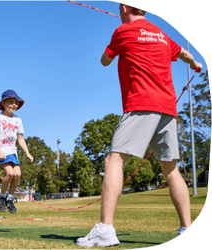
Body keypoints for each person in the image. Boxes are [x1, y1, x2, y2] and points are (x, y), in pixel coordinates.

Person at [76, 3, 203, 247]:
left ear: (124, 7)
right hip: (167, 110)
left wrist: (118, 45)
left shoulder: (122, 31)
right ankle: (187, 228)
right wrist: (194, 63)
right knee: (171, 169)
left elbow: (104, 60)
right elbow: (185, 55)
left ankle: (105, 229)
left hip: (141, 104)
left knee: (114, 160)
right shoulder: (162, 35)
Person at [0, 89, 33, 213]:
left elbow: (20, 138)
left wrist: (27, 153)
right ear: (3, 103)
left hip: (12, 151)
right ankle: (1, 197)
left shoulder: (18, 120)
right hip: (1, 151)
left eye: (16, 102)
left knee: (17, 174)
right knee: (10, 174)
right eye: (11, 102)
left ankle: (10, 198)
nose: (14, 104)